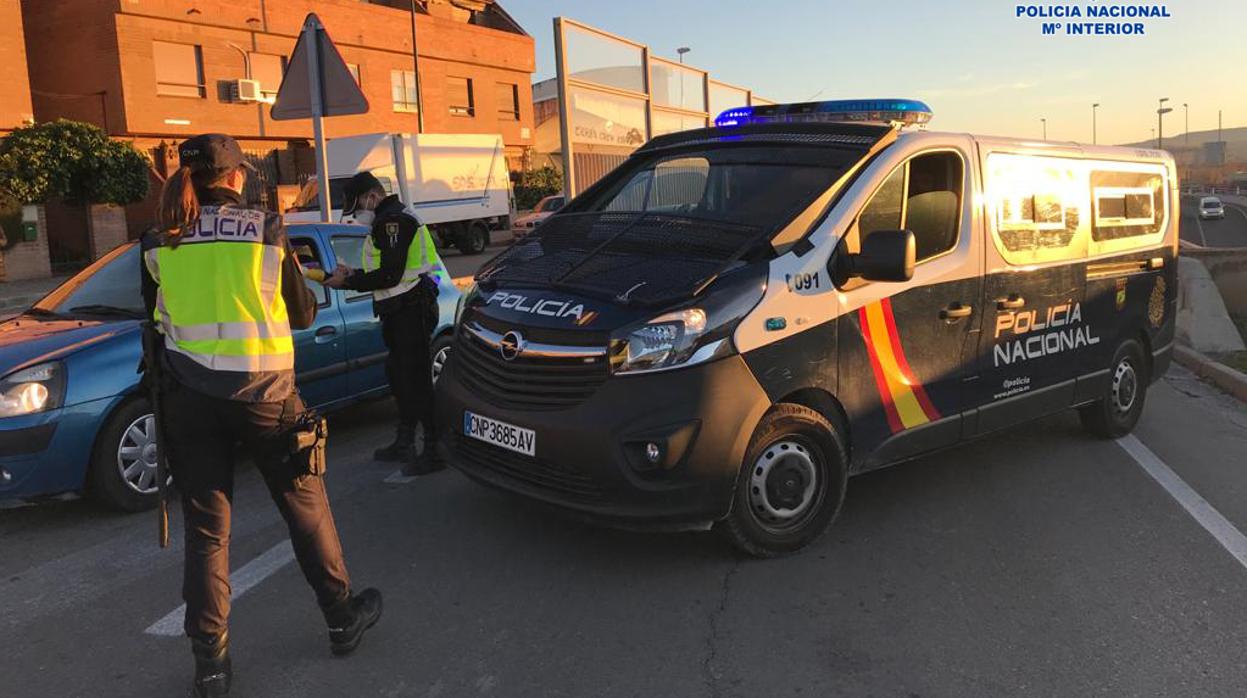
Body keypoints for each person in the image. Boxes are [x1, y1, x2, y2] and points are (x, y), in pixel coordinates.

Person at [140, 134, 382, 698]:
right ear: (235, 176)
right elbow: (301, 313)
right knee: (304, 508)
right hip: (266, 396)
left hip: (190, 398)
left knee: (207, 532)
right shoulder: (267, 230)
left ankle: (212, 667)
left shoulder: (158, 239)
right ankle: (342, 617)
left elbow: (152, 321)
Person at [324, 171, 445, 476]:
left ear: (372, 197)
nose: (357, 216)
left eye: (357, 208)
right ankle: (404, 440)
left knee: (416, 381)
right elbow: (384, 268)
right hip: (397, 308)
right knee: (398, 375)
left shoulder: (394, 221)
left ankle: (434, 448)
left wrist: (348, 283)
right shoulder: (386, 220)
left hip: (411, 309)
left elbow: (391, 273)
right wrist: (353, 273)